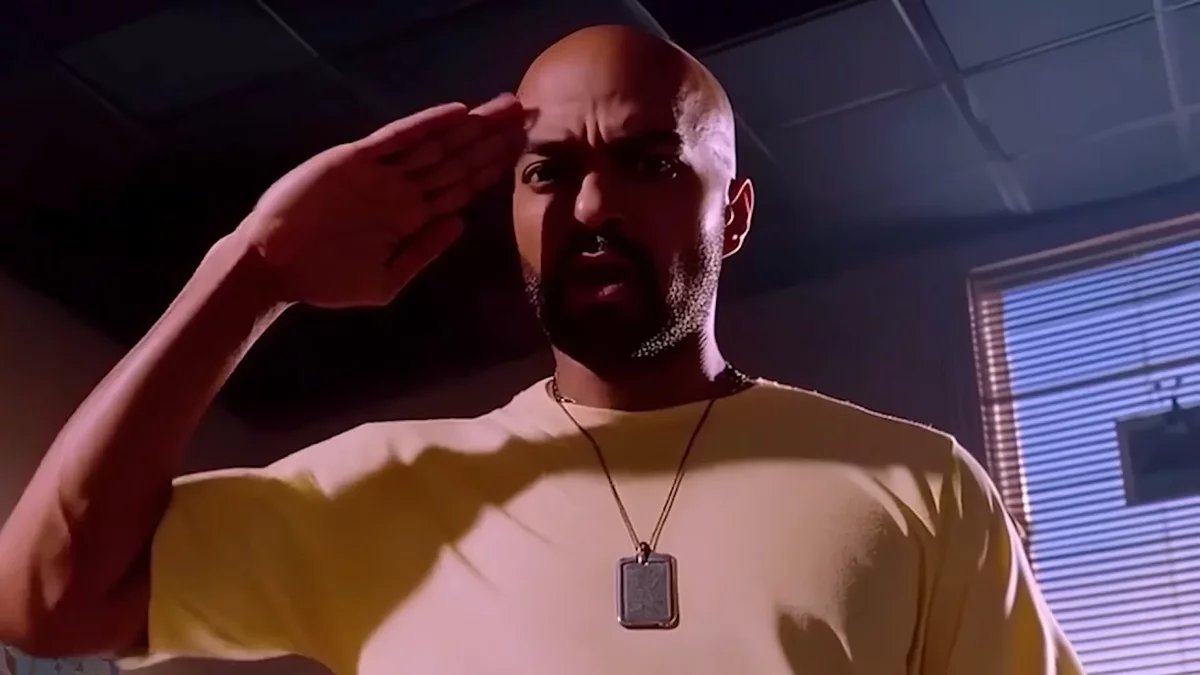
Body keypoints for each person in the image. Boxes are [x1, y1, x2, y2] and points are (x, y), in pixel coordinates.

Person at [0, 24, 1083, 675]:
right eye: (548, 172)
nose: (592, 207)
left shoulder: (920, 487)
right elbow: (43, 600)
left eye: (650, 162)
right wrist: (251, 273)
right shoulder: (385, 487)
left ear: (735, 215)